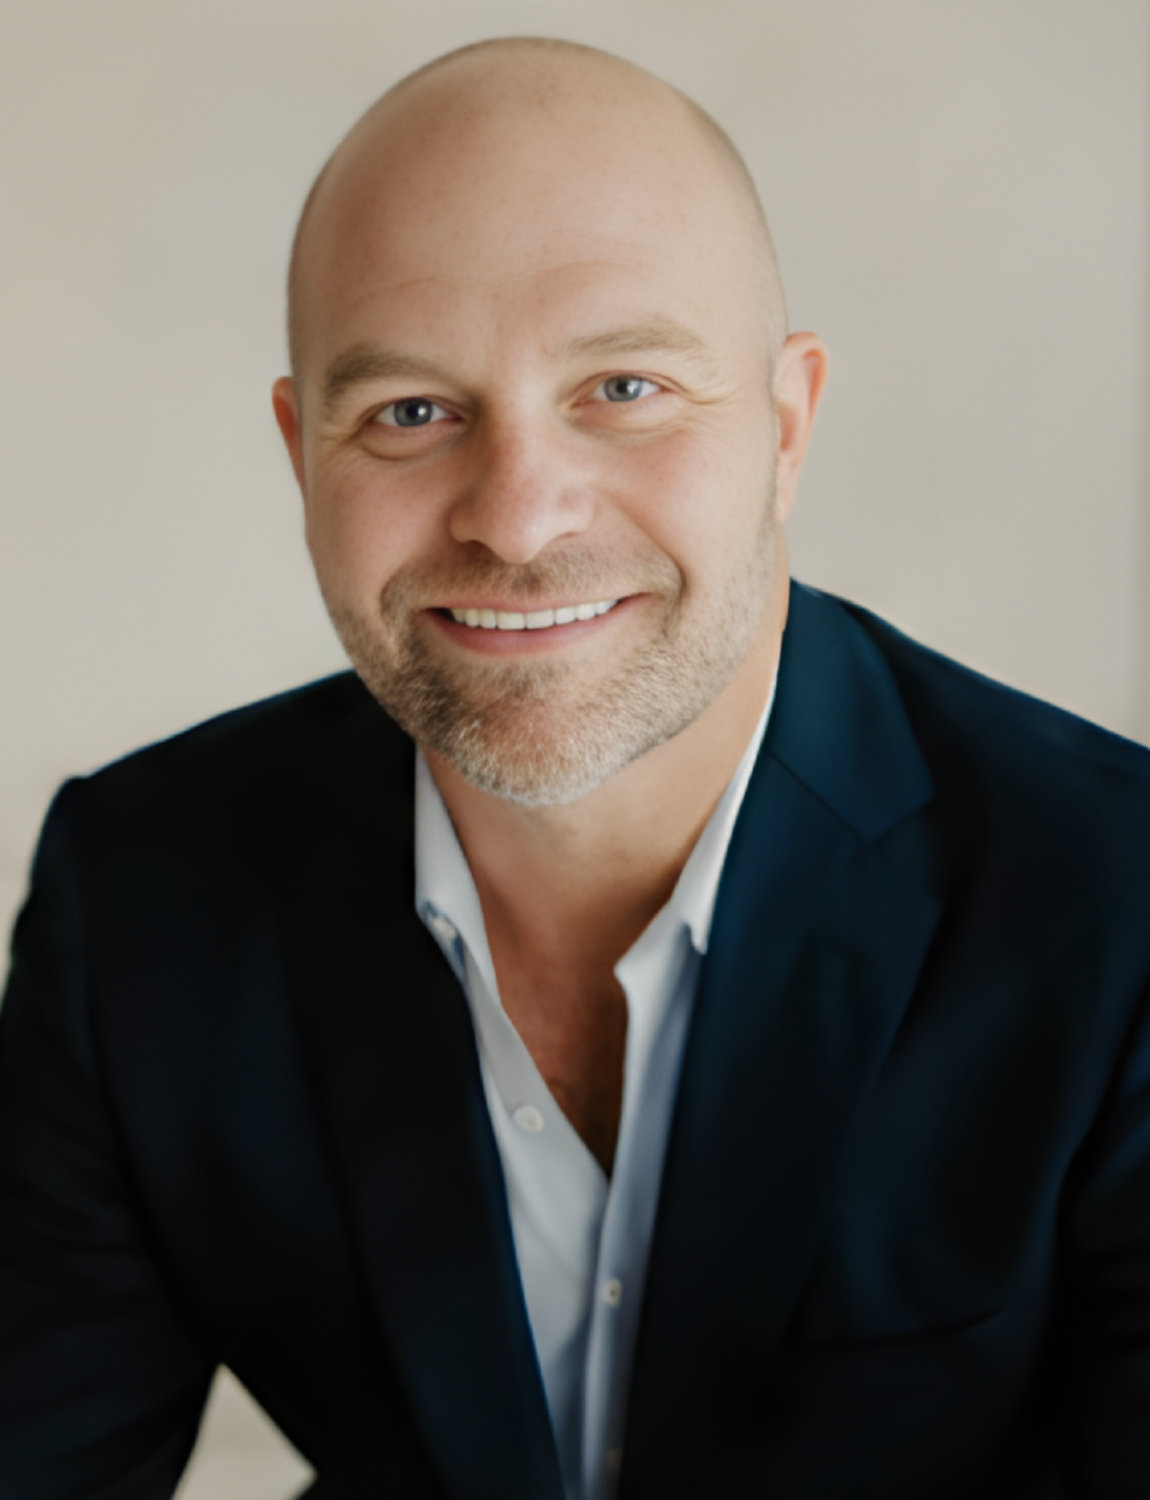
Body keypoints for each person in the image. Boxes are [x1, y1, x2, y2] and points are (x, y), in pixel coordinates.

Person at [2, 34, 1149, 1500]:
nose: (521, 519)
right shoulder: (140, 900)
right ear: (304, 457)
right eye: (411, 411)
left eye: (622, 386)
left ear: (786, 427)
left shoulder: (1115, 906)